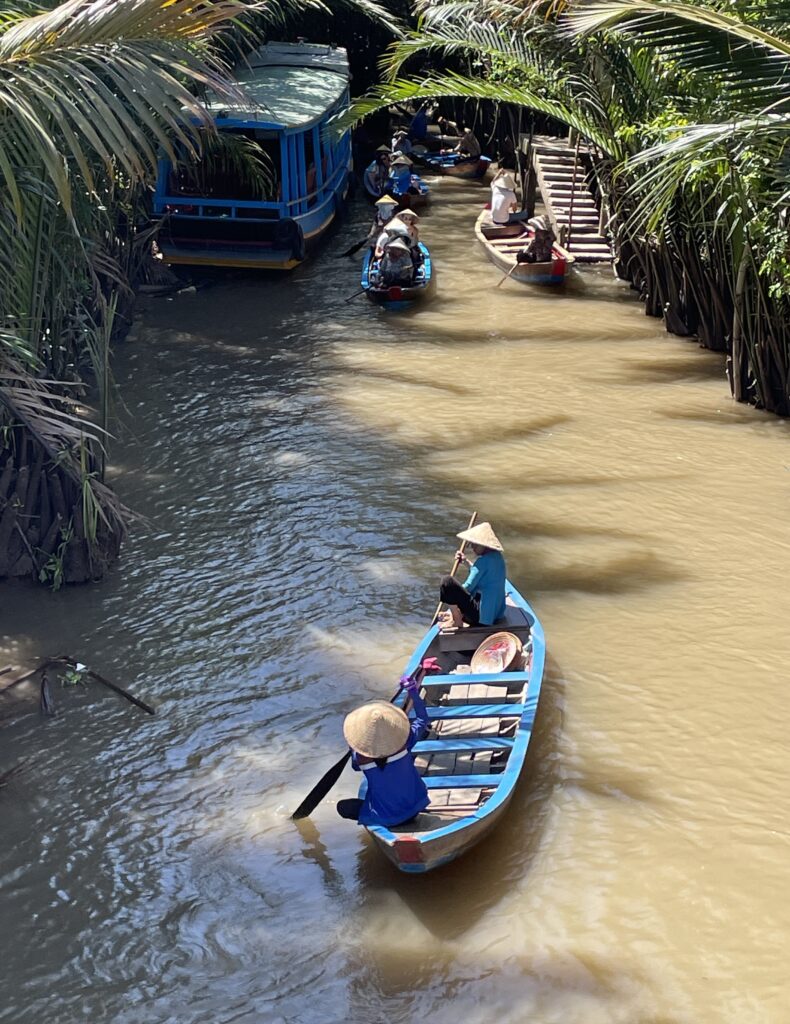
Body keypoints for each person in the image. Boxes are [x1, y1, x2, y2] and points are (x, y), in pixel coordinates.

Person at [337, 674, 430, 828]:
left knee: (342, 807)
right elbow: (422, 718)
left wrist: (353, 745)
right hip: (416, 806)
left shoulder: (359, 758)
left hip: (387, 817)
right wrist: (412, 691)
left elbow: (355, 765)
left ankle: (380, 822)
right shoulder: (405, 742)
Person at [439, 521, 507, 629]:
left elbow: (468, 587)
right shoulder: (497, 557)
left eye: (475, 544)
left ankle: (457, 620)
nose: (472, 547)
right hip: (495, 614)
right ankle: (456, 615)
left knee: (447, 582)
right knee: (455, 592)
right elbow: (479, 572)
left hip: (481, 618)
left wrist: (449, 595)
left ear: (484, 545)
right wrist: (465, 561)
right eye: (471, 544)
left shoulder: (482, 561)